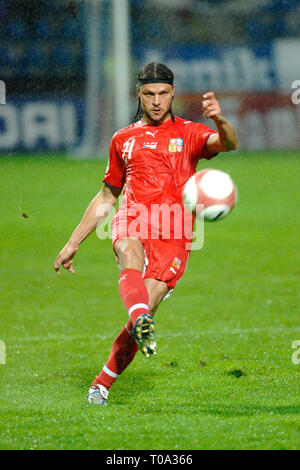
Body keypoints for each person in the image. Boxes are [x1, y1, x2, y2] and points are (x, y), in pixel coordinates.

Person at [54, 63, 238, 405]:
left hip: (175, 232)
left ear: (172, 93)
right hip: (133, 217)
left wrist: (220, 120)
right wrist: (72, 242)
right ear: (138, 94)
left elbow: (227, 144)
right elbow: (109, 194)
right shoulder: (123, 139)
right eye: (149, 94)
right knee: (128, 252)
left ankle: (102, 383)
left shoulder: (190, 133)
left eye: (163, 93)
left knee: (144, 309)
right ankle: (140, 318)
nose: (157, 101)